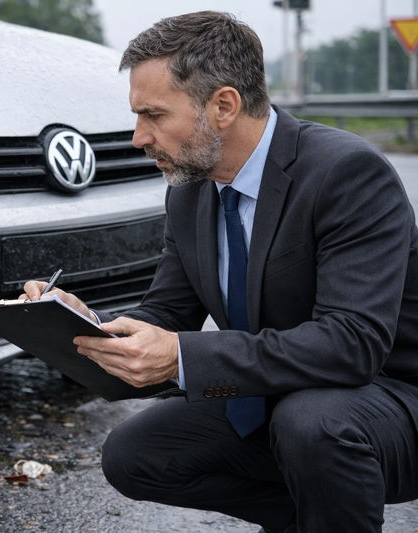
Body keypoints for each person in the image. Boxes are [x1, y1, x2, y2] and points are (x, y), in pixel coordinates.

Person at [22, 11, 418, 533]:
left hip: (391, 399)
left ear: (224, 106)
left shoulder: (346, 173)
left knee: (311, 423)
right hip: (285, 396)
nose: (139, 137)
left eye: (154, 115)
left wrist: (181, 356)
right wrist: (88, 327)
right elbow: (168, 312)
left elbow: (352, 344)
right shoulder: (189, 188)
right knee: (134, 453)